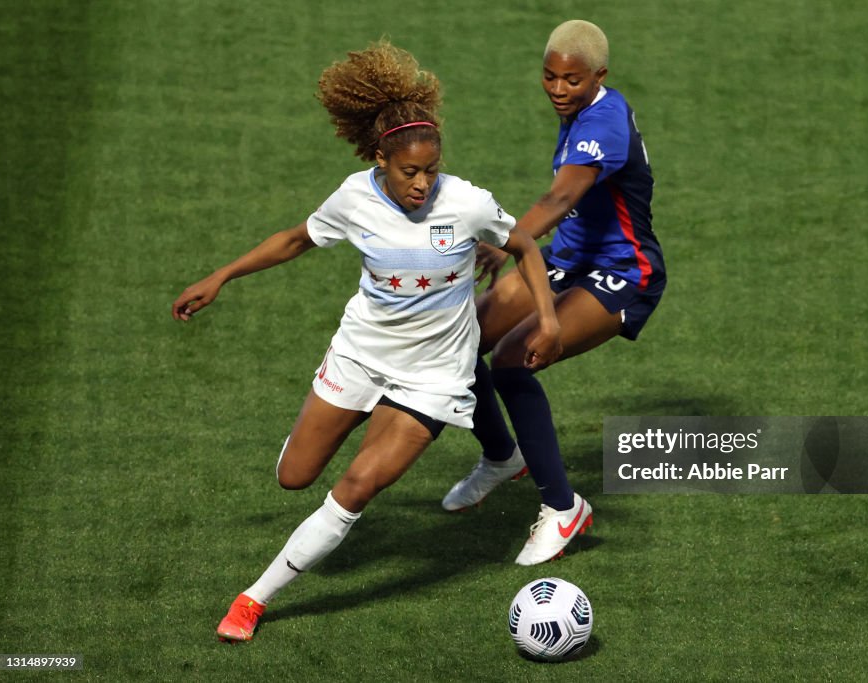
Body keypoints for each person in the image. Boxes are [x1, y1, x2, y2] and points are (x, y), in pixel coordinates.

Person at [171, 41, 561, 642]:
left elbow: (525, 248)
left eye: (432, 169)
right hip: (360, 355)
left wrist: (548, 319)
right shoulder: (354, 197)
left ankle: (252, 600)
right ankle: (362, 417)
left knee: (354, 489)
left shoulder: (467, 203)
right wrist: (220, 275)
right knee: (295, 477)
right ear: (381, 158)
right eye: (410, 171)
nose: (423, 184)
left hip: (432, 380)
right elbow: (295, 240)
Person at [440, 20, 666, 566]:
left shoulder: (605, 123)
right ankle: (500, 456)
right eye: (549, 77)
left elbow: (562, 196)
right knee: (459, 338)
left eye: (572, 79)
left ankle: (563, 508)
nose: (559, 89)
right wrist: (512, 245)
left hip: (622, 273)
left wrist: (509, 237)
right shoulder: (579, 112)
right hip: (568, 257)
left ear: (599, 76)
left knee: (514, 363)